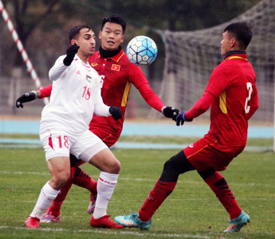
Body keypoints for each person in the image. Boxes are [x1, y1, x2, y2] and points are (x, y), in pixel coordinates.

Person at [16, 15, 179, 223]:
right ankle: (88, 193)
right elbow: (60, 80)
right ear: (100, 34)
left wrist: (164, 109)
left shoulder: (129, 65)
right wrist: (36, 94)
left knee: (71, 165)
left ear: (123, 38)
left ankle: (55, 212)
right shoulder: (87, 59)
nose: (111, 36)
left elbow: (147, 92)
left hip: (107, 127)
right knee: (67, 167)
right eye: (108, 32)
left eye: (117, 33)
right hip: (83, 124)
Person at [114, 22, 259, 233]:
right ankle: (236, 214)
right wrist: (236, 122)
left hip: (221, 139)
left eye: (223, 38)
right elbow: (254, 105)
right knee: (204, 168)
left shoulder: (226, 68)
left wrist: (186, 116)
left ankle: (143, 217)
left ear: (232, 41)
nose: (221, 42)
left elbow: (205, 101)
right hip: (238, 139)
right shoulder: (248, 68)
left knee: (172, 165)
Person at [24, 25, 125, 229]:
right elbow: (53, 74)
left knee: (113, 166)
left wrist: (110, 110)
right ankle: (34, 217)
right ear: (75, 43)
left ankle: (99, 216)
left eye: (91, 37)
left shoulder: (93, 74)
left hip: (79, 131)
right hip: (57, 125)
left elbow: (97, 106)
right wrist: (68, 58)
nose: (92, 41)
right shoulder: (66, 61)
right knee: (62, 176)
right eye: (86, 37)